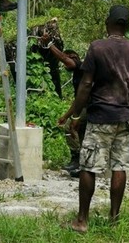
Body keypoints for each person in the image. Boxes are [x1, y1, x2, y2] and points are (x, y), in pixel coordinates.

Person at [70, 5, 129, 233]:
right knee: (119, 167)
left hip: (100, 116)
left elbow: (85, 85)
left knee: (89, 166)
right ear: (127, 25)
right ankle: (114, 218)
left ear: (108, 22)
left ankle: (82, 220)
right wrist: (128, 105)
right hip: (125, 117)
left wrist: (75, 114)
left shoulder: (97, 47)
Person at [40, 34, 87, 177]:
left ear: (74, 57)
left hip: (93, 106)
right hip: (86, 105)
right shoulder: (78, 75)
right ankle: (82, 164)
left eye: (65, 61)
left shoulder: (82, 66)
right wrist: (66, 116)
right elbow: (78, 100)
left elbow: (68, 61)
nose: (65, 65)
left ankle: (77, 159)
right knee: (79, 132)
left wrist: (49, 45)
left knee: (70, 128)